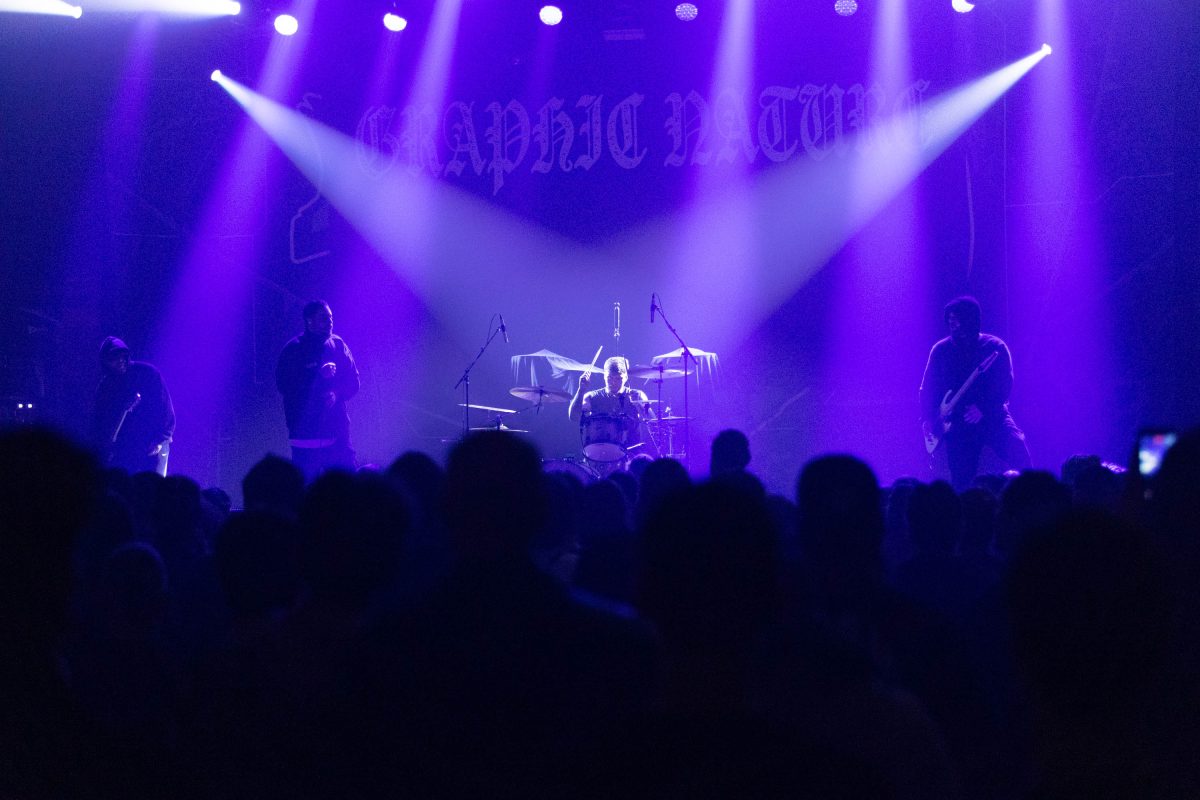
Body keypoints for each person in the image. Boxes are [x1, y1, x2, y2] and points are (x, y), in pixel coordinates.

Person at [920, 296, 1030, 490]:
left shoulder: (995, 346)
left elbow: (1004, 384)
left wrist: (984, 409)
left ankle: (1033, 492)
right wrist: (927, 418)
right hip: (957, 421)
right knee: (961, 477)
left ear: (970, 320)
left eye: (957, 320)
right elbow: (928, 387)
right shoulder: (940, 350)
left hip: (993, 415)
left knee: (1018, 448)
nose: (953, 326)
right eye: (950, 321)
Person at [275, 301, 360, 481]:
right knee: (307, 489)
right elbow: (284, 386)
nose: (330, 322)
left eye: (331, 317)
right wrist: (317, 374)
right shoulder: (294, 349)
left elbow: (354, 382)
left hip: (337, 434)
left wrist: (336, 394)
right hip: (305, 437)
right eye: (323, 318)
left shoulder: (338, 345)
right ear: (309, 321)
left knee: (347, 488)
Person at [91, 336, 175, 476]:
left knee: (154, 486)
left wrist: (161, 439)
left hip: (153, 444)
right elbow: (100, 422)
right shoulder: (105, 388)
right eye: (114, 357)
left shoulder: (147, 373)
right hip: (126, 450)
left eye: (122, 355)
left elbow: (165, 407)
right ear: (105, 362)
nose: (120, 360)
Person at [568, 356, 651, 468]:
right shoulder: (593, 397)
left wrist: (638, 404)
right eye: (609, 378)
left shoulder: (637, 394)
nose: (613, 382)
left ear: (626, 377)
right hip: (600, 452)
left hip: (632, 452)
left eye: (618, 378)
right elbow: (573, 416)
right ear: (604, 376)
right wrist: (581, 390)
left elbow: (652, 421)